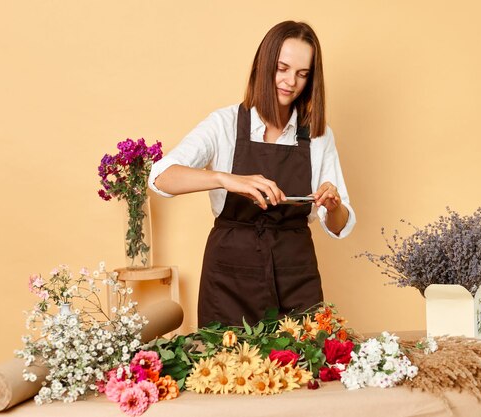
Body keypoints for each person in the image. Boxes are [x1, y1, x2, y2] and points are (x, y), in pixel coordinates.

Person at [148, 21, 356, 327]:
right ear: (264, 64)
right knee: (225, 371)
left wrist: (334, 205)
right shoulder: (224, 123)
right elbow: (161, 177)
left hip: (295, 274)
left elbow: (338, 226)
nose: (290, 82)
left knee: (305, 370)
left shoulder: (318, 136)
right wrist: (225, 179)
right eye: (282, 68)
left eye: (302, 74)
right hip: (229, 279)